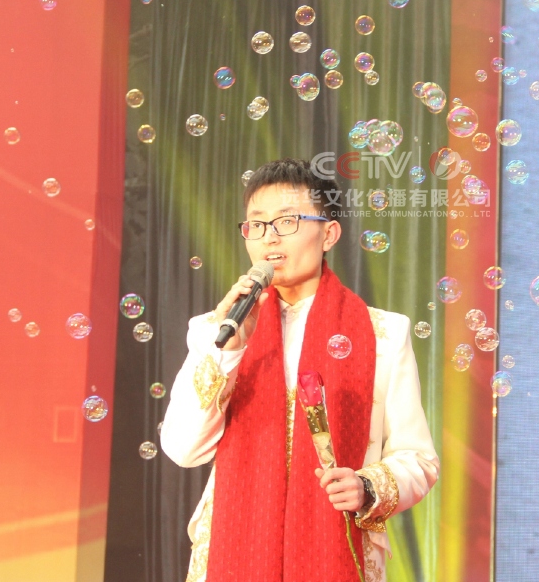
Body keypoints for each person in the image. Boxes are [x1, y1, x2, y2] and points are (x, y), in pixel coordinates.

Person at [161, 158, 440, 582]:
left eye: (287, 221)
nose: (269, 237)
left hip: (337, 550)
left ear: (328, 234)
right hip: (232, 553)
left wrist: (367, 486)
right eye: (257, 224)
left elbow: (417, 458)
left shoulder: (382, 333)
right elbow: (183, 449)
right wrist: (227, 354)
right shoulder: (218, 331)